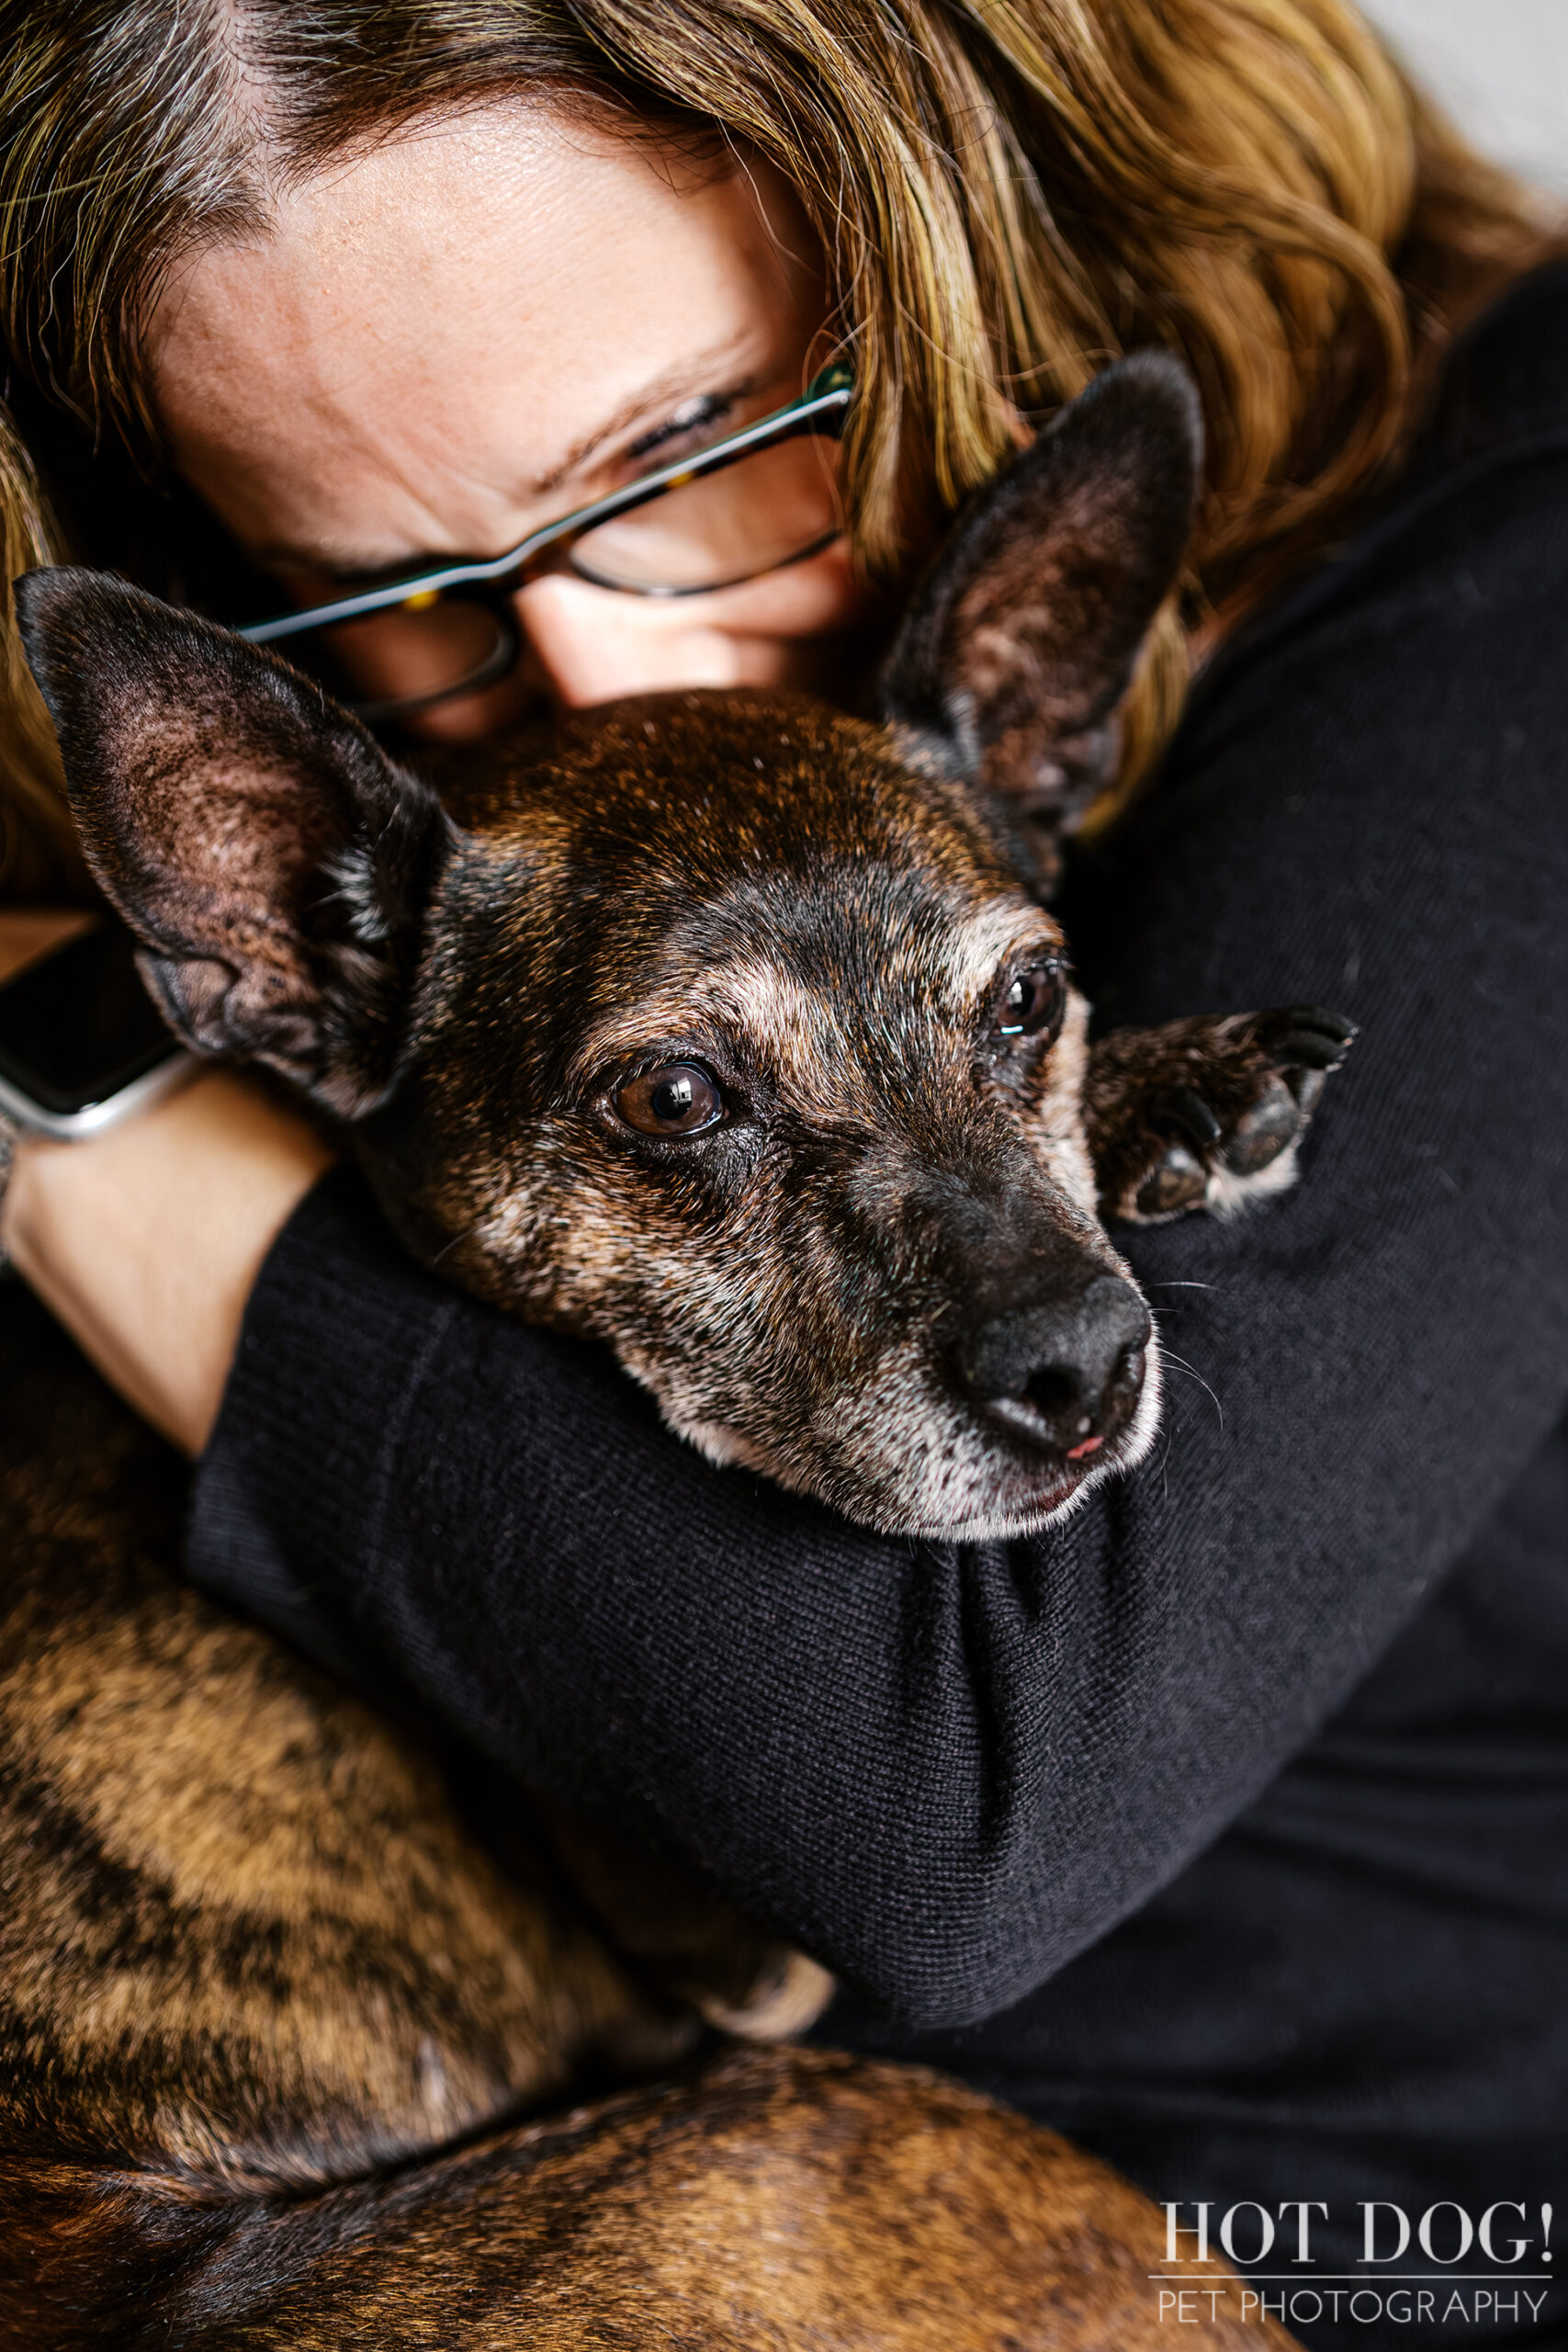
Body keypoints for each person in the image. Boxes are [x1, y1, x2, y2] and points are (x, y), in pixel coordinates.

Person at [2, 6, 1565, 2345]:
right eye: (398, 583)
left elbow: (962, 1809)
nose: (594, 663)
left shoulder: (1513, 542)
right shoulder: (438, 909)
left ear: (926, 213)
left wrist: (82, 1144)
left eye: (687, 449)